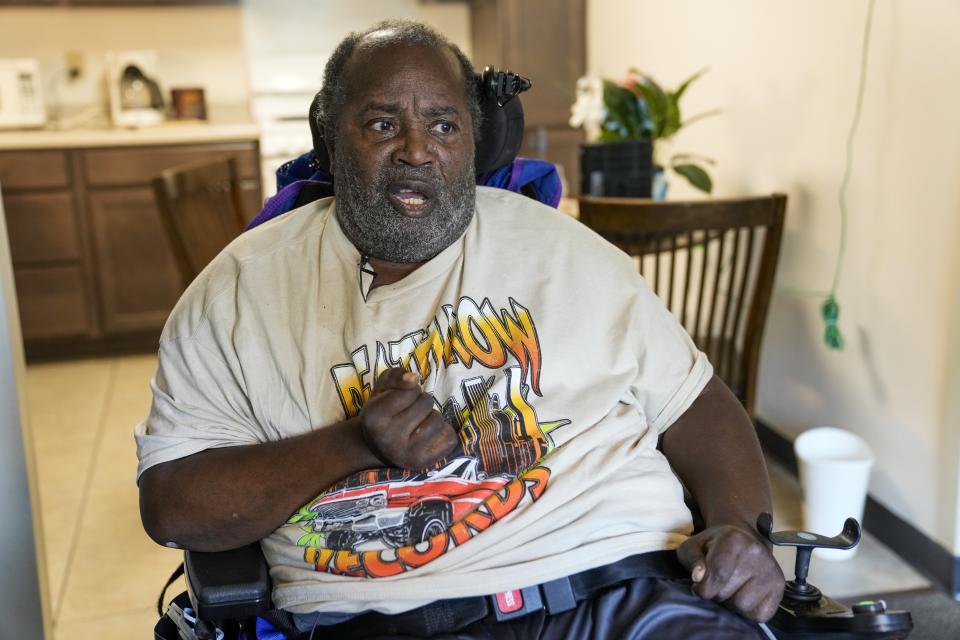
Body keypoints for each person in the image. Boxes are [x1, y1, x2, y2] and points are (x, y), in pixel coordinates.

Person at [137, 20, 784, 639]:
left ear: (474, 140)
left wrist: (739, 531)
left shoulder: (566, 253)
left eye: (443, 124)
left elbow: (697, 404)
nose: (417, 149)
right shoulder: (241, 292)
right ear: (332, 138)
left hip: (625, 591)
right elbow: (174, 503)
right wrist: (354, 444)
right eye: (383, 123)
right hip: (389, 618)